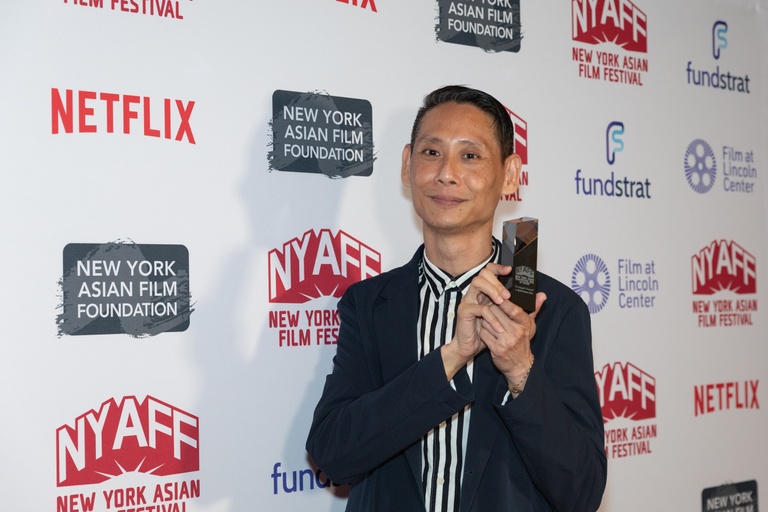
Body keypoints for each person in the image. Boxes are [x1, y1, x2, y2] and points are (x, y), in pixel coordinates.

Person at [306, 85, 606, 512]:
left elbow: (582, 492)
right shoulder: (368, 305)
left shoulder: (553, 309)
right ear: (407, 165)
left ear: (510, 175)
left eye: (470, 156)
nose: (446, 173)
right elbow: (333, 454)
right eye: (431, 153)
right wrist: (453, 357)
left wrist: (520, 369)